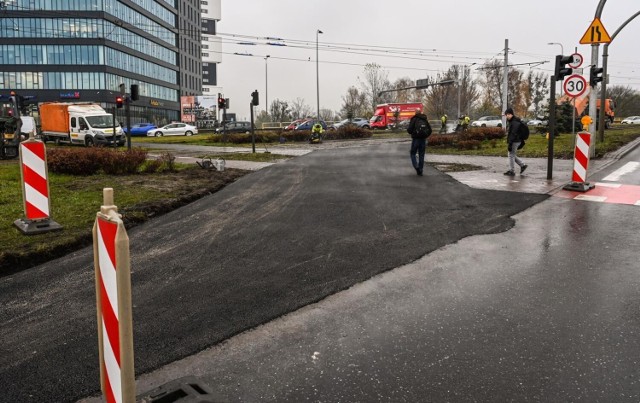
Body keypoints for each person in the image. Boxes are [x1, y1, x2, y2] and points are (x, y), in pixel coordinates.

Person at [504, 107, 528, 176]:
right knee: (512, 155)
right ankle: (522, 165)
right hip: (516, 140)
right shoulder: (513, 121)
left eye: (508, 114)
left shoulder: (514, 122)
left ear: (511, 114)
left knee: (511, 155)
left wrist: (510, 144)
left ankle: (512, 171)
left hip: (515, 141)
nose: (507, 116)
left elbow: (513, 134)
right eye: (506, 115)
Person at [407, 110, 431, 176]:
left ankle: (416, 166)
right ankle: (420, 170)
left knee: (413, 153)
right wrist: (425, 135)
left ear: (415, 113)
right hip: (423, 139)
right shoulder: (424, 119)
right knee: (421, 154)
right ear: (420, 113)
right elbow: (430, 130)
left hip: (416, 139)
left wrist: (413, 133)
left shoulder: (414, 119)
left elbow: (409, 130)